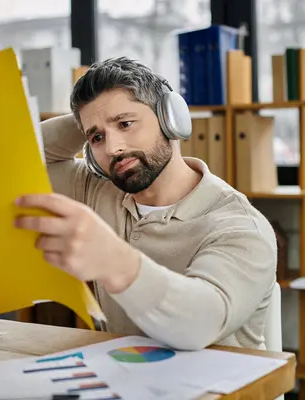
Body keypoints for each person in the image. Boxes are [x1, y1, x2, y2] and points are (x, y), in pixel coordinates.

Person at [14, 57, 277, 351]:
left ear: (170, 118)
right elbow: (18, 155)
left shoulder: (239, 226)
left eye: (126, 123)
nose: (113, 148)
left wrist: (114, 260)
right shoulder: (97, 190)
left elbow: (200, 323)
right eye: (98, 138)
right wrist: (90, 119)